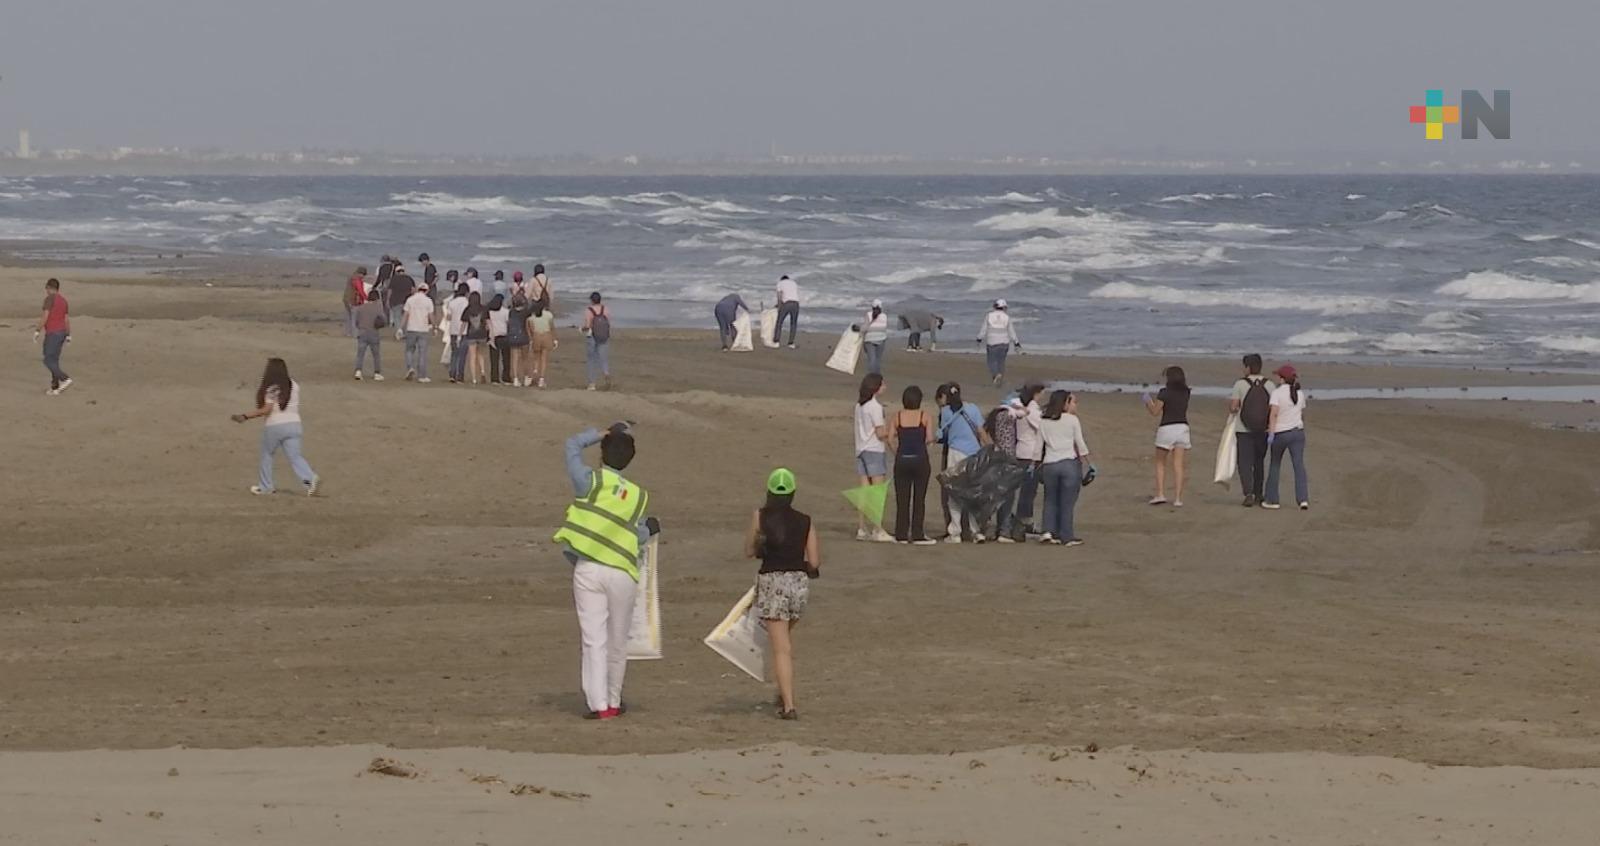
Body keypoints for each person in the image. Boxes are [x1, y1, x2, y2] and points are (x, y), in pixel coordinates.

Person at [553, 422, 659, 720]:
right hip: (622, 572)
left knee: (593, 640)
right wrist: (649, 529)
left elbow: (572, 445)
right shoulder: (638, 496)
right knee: (617, 640)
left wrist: (600, 433)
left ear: (602, 454)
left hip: (589, 569)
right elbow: (636, 535)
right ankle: (612, 700)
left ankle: (599, 705)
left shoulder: (590, 481)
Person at [743, 468, 820, 720]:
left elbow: (749, 551)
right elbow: (815, 561)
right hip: (798, 584)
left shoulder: (760, 516)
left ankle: (788, 706)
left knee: (781, 648)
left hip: (772, 583)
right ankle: (782, 692)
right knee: (783, 641)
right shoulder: (805, 520)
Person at [230, 357, 320, 497]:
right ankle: (309, 477)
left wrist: (245, 416)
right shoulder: (294, 385)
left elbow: (267, 410)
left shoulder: (272, 388)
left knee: (267, 454)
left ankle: (266, 486)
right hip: (295, 424)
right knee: (295, 456)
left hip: (275, 425)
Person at [936, 382, 990, 542]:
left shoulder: (946, 412)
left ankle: (955, 531)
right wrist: (989, 449)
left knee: (954, 492)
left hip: (955, 452)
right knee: (973, 492)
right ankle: (976, 530)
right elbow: (981, 432)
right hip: (973, 453)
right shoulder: (972, 408)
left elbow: (943, 434)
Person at [1038, 390, 1090, 546]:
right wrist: (1088, 462)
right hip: (1068, 464)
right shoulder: (1072, 420)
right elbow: (1080, 444)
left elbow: (1038, 447)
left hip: (1049, 464)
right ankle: (1066, 536)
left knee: (1050, 499)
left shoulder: (1043, 421)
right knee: (1067, 502)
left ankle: (1047, 531)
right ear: (1065, 403)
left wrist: (1034, 464)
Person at [996, 383, 1045, 542]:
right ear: (1036, 394)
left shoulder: (1018, 408)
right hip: (1028, 454)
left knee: (1019, 492)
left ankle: (1014, 525)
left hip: (1022, 451)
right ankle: (1018, 526)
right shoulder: (1030, 410)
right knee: (1026, 493)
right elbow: (1042, 428)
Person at [889, 385, 937, 544]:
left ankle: (901, 534)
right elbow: (929, 438)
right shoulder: (925, 416)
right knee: (919, 498)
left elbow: (890, 439)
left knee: (902, 499)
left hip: (902, 459)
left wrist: (897, 453)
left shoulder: (897, 416)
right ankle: (917, 534)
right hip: (920, 459)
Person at [1229, 354, 1276, 507]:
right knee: (1259, 462)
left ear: (1248, 367)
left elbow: (1234, 407)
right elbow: (1272, 408)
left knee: (1244, 462)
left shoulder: (1240, 384)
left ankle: (1248, 493)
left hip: (1243, 429)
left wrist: (1234, 408)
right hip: (1263, 429)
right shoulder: (1270, 385)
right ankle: (1259, 494)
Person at [852, 374, 894, 543]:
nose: (885, 386)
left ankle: (862, 528)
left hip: (861, 449)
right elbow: (880, 433)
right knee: (877, 492)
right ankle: (877, 529)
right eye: (882, 383)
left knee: (864, 491)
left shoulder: (859, 406)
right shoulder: (875, 406)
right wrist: (894, 432)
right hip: (874, 450)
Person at [1143, 366, 1192, 506]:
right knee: (1178, 465)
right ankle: (1177, 498)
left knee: (1160, 463)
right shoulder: (1186, 392)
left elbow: (1155, 411)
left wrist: (1147, 401)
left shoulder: (1164, 392)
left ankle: (1160, 494)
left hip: (1167, 427)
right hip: (1183, 428)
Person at [1264, 365, 1310, 511]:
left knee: (1275, 464)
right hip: (1297, 432)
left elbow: (1274, 414)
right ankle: (1303, 499)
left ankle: (1272, 499)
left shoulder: (1277, 393)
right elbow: (1301, 414)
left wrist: (1271, 433)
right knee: (1298, 466)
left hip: (1281, 433)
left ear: (1282, 378)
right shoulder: (1300, 394)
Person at [35, 278, 73, 395]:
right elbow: (66, 319)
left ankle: (65, 378)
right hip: (61, 333)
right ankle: (55, 387)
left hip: (53, 333)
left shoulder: (49, 299)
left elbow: (45, 316)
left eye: (46, 288)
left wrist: (37, 330)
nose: (46, 291)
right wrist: (68, 335)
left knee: (47, 360)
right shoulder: (64, 301)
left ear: (49, 288)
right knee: (54, 360)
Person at [977, 299, 1021, 385]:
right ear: (1004, 307)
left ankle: (996, 375)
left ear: (995, 306)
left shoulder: (989, 316)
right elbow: (1011, 331)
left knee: (991, 361)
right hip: (1004, 343)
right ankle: (999, 376)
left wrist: (979, 338)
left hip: (992, 342)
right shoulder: (1007, 317)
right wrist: (1016, 342)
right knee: (1001, 361)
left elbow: (984, 329)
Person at [402, 282, 434, 383]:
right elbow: (431, 316)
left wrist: (401, 327)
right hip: (423, 329)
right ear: (427, 291)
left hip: (411, 328)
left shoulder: (410, 299)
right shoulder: (428, 301)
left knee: (409, 350)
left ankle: (410, 367)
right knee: (422, 353)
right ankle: (422, 376)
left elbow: (406, 314)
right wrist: (435, 326)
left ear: (417, 289)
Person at [582, 292, 612, 391]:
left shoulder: (588, 310)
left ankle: (592, 383)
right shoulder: (606, 309)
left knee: (592, 359)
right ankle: (606, 372)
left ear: (591, 300)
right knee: (603, 357)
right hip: (604, 335)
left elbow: (587, 325)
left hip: (592, 336)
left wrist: (582, 329)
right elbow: (608, 322)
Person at [352, 291, 385, 382]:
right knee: (376, 354)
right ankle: (377, 373)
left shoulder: (361, 308)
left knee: (360, 354)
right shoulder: (378, 308)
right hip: (374, 332)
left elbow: (357, 322)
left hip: (362, 332)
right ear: (377, 299)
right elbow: (383, 320)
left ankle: (358, 371)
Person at [461, 291, 490, 385]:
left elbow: (464, 324)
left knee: (472, 356)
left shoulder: (468, 309)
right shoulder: (484, 308)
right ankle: (482, 372)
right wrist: (490, 334)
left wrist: (459, 335)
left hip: (471, 335)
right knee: (481, 354)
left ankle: (474, 378)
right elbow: (488, 323)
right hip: (482, 335)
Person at [529, 298, 558, 388]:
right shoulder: (548, 315)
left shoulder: (532, 317)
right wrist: (555, 339)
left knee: (536, 358)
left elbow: (531, 329)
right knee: (544, 359)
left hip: (536, 336)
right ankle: (541, 379)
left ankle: (535, 373)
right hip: (546, 336)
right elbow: (552, 327)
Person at [507, 292, 534, 387]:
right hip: (524, 336)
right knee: (525, 358)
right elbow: (529, 324)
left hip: (513, 336)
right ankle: (526, 378)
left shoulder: (511, 312)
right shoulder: (526, 312)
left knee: (514, 358)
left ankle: (515, 379)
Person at [446, 282, 471, 384]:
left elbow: (448, 317)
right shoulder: (467, 302)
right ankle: (459, 376)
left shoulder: (452, 302)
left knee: (454, 353)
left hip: (453, 330)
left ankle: (452, 374)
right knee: (462, 355)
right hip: (464, 331)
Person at [860, 299, 889, 375]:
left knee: (872, 360)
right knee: (878, 360)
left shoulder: (868, 315)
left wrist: (859, 329)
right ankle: (877, 375)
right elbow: (884, 327)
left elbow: (865, 328)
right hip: (882, 339)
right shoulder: (884, 316)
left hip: (870, 339)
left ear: (872, 307)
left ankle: (872, 376)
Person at [487, 294, 511, 385]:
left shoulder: (490, 312)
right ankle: (506, 378)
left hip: (493, 336)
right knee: (506, 359)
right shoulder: (505, 311)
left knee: (494, 359)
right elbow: (508, 323)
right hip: (504, 335)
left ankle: (494, 378)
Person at [386, 265, 415, 340]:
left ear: (396, 272)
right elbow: (413, 290)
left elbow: (390, 290)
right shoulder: (409, 278)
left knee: (397, 317)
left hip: (396, 301)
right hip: (407, 301)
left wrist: (387, 300)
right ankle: (405, 333)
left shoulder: (394, 279)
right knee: (405, 318)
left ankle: (399, 333)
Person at [774, 274, 800, 348]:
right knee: (793, 324)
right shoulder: (794, 283)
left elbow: (779, 297)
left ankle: (776, 341)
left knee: (779, 322)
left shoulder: (780, 283)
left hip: (787, 304)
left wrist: (779, 306)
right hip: (796, 303)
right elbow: (793, 294)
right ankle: (791, 343)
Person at [342, 266, 368, 337]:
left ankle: (348, 332)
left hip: (346, 299)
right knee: (355, 318)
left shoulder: (351, 277)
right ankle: (355, 334)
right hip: (353, 300)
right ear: (361, 274)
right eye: (363, 275)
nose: (363, 277)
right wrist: (367, 298)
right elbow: (360, 290)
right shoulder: (357, 280)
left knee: (348, 317)